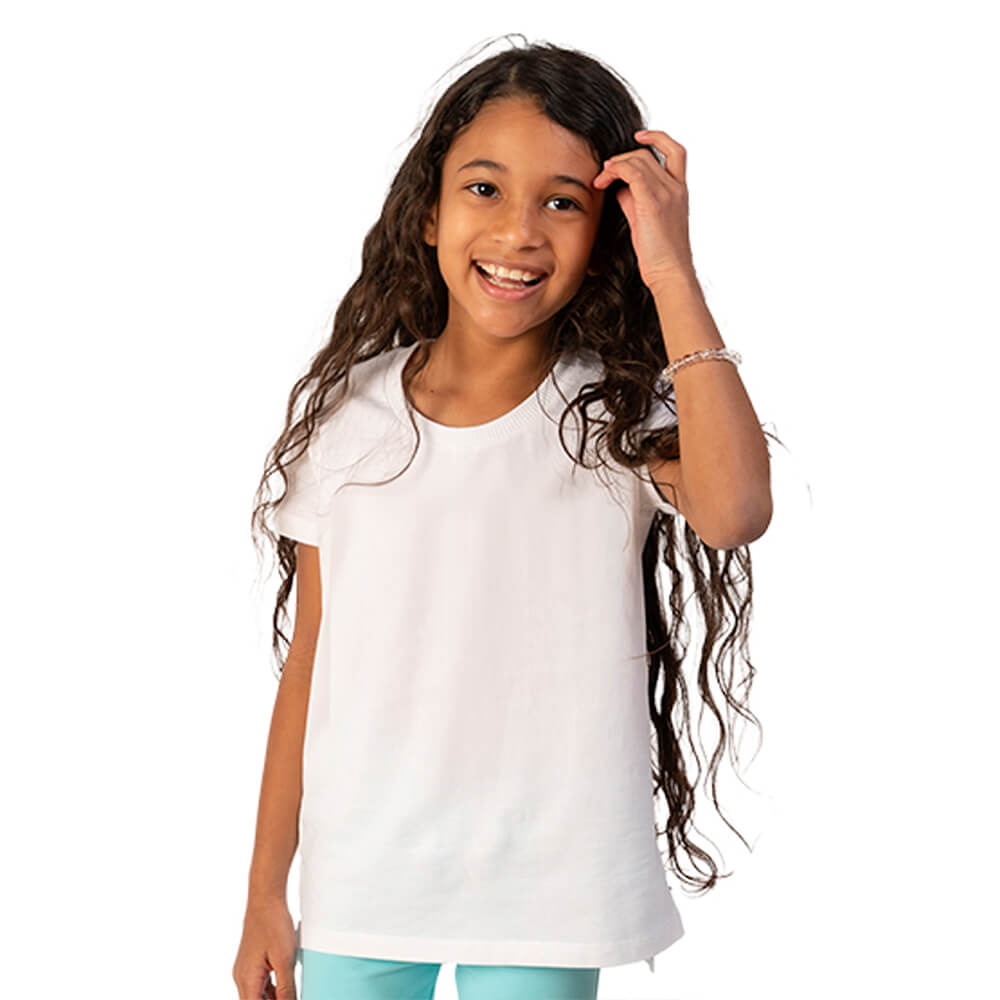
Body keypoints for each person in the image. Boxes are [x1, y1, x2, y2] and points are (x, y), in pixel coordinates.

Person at [233, 35, 775, 1000]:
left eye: (561, 202)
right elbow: (309, 665)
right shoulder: (349, 419)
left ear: (605, 230)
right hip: (365, 879)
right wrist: (264, 893)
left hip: (549, 893)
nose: (520, 232)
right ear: (430, 209)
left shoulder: (614, 416)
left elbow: (734, 512)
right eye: (485, 189)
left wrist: (673, 270)